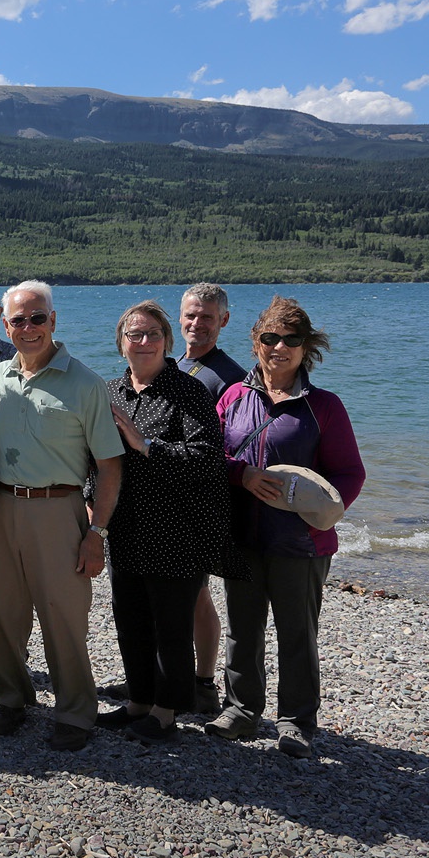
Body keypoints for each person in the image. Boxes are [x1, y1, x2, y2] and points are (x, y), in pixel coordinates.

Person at [207, 296, 365, 760]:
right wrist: (242, 475)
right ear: (256, 342)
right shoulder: (234, 397)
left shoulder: (324, 406)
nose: (279, 348)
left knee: (298, 631)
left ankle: (296, 721)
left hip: (302, 541)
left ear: (305, 347)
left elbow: (350, 475)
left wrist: (326, 513)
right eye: (270, 338)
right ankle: (241, 709)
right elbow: (213, 456)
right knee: (242, 627)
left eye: (290, 340)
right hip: (242, 535)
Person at [0, 280, 124, 752]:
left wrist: (96, 532)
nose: (28, 327)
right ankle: (11, 700)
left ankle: (76, 713)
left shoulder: (85, 383)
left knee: (63, 618)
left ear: (53, 321)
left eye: (37, 317)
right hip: (1, 507)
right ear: (6, 326)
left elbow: (109, 466)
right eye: (18, 320)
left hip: (60, 510)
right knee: (1, 611)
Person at [92, 301, 243, 744]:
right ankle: (138, 700)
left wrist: (147, 445)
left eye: (152, 333)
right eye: (134, 334)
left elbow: (207, 461)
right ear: (121, 343)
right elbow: (95, 459)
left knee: (170, 628)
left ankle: (165, 712)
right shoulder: (111, 392)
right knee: (131, 619)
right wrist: (90, 503)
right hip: (125, 526)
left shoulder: (189, 392)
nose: (143, 341)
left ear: (167, 340)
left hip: (177, 530)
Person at [177, 282, 247, 712]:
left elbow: (232, 449)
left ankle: (203, 684)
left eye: (206, 316)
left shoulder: (230, 378)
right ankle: (158, 676)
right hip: (162, 500)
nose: (196, 323)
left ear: (223, 320)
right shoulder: (174, 365)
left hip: (198, 505)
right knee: (162, 594)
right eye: (190, 315)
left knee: (195, 593)